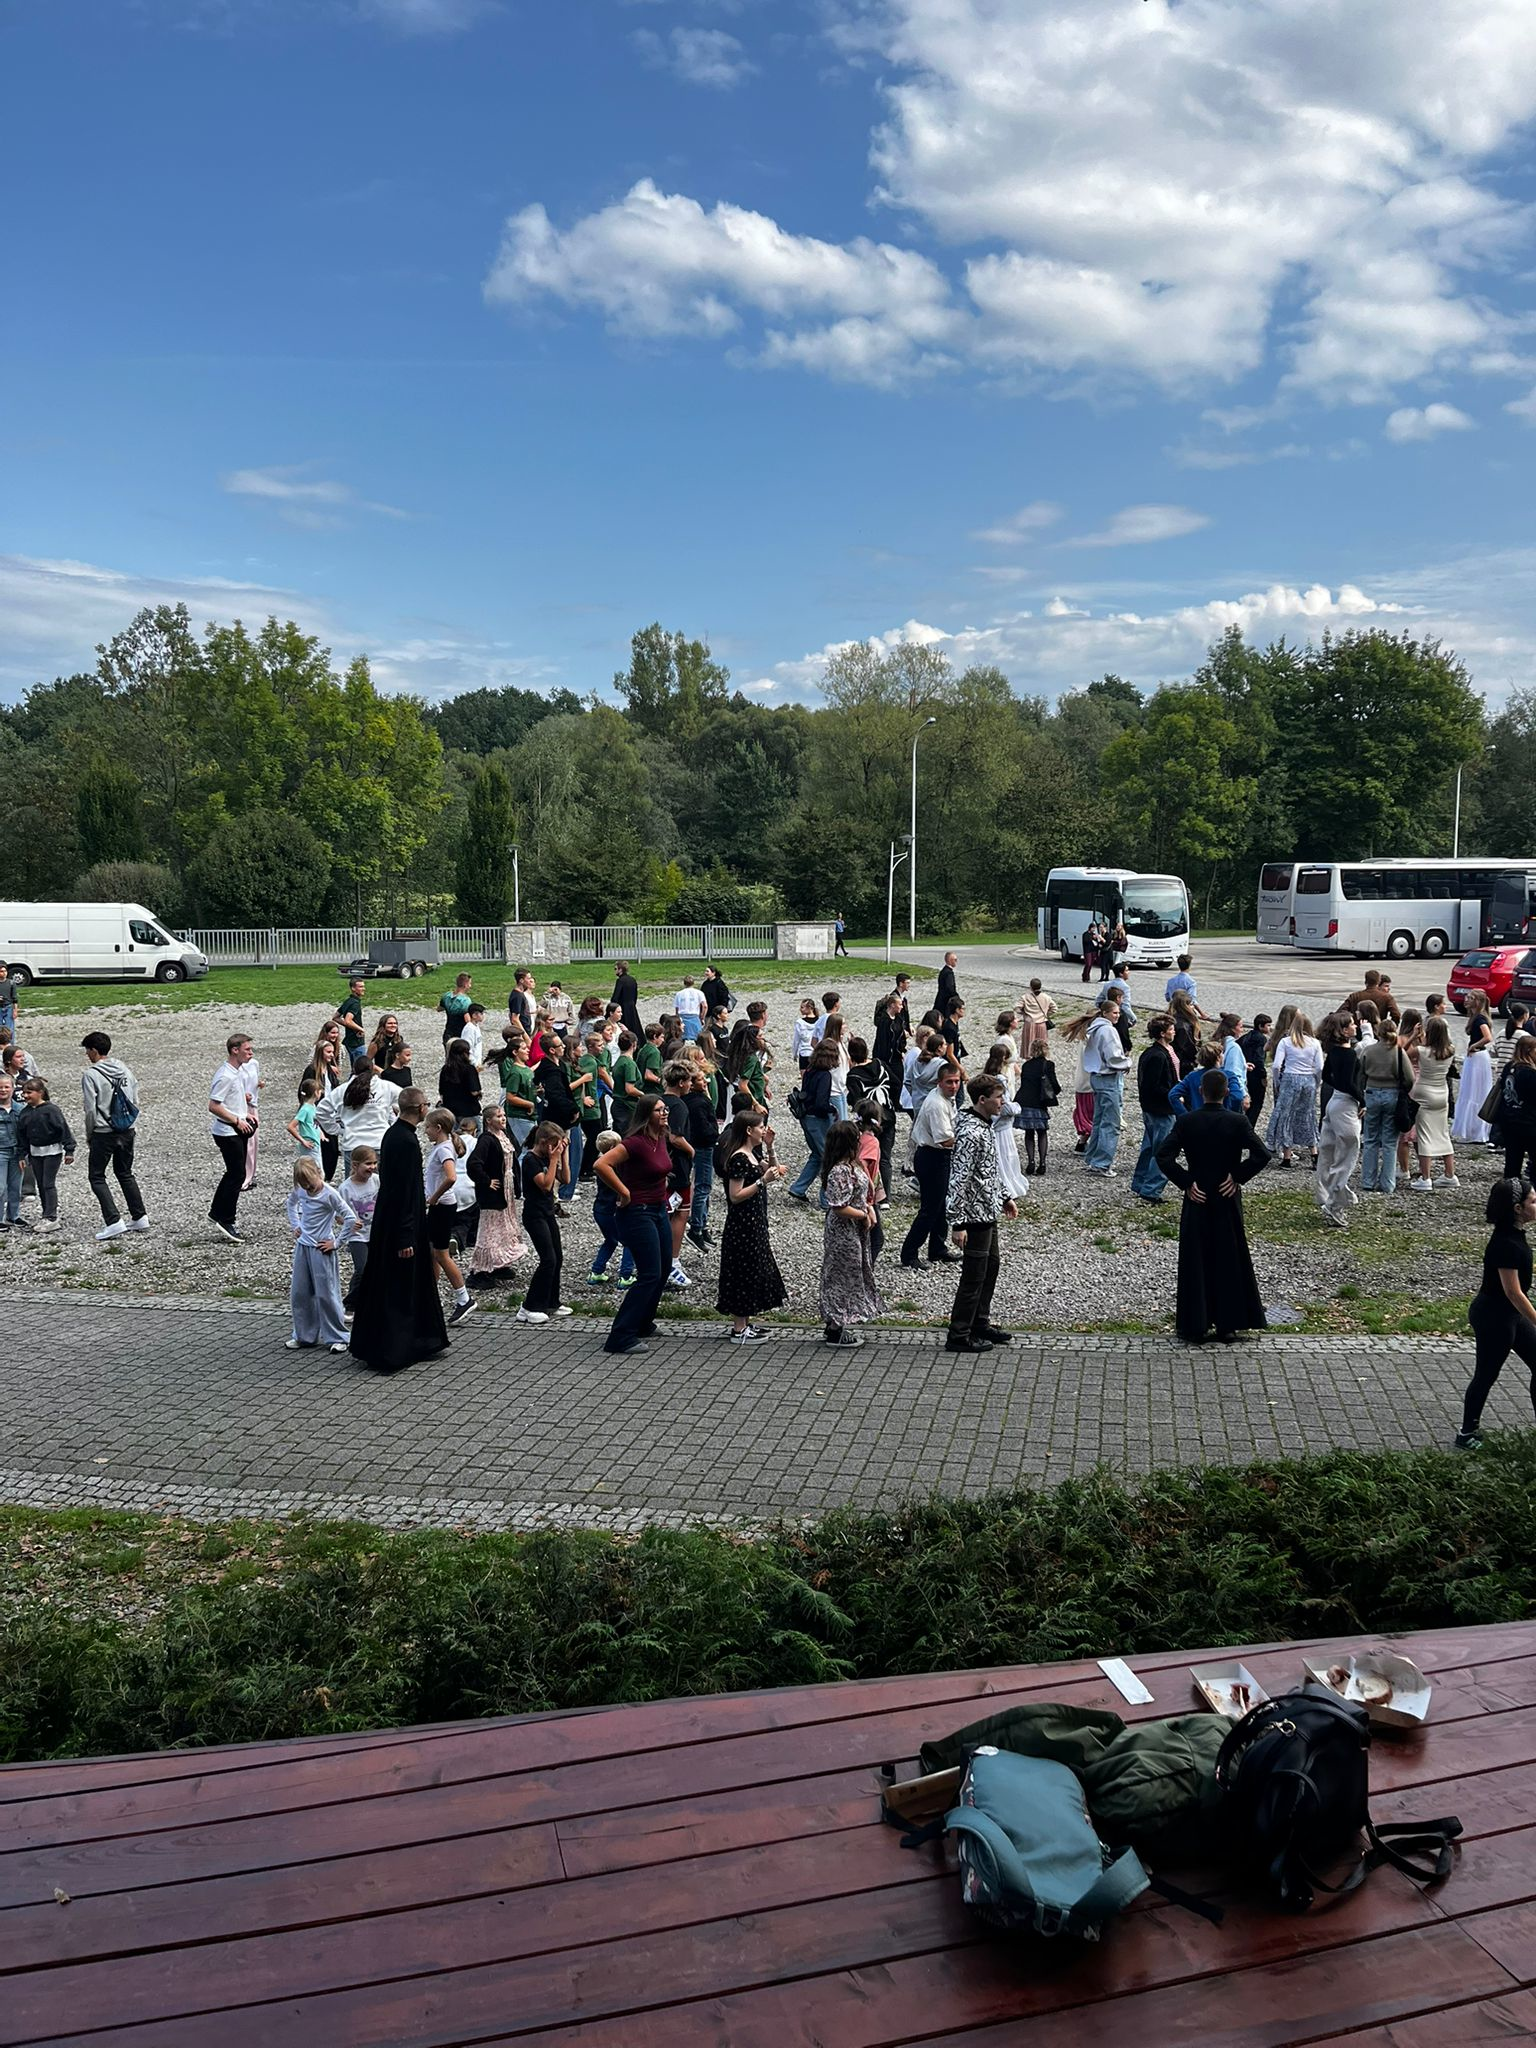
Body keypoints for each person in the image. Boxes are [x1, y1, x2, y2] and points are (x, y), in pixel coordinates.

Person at [1156, 1070, 1272, 1343]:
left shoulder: (1187, 1122)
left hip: (1197, 1195)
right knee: (1228, 1258)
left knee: (1196, 1259)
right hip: (1225, 1194)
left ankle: (1195, 1323)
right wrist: (1238, 1176)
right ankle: (1227, 1324)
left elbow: (1163, 1155)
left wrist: (1186, 1181)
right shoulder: (1237, 1121)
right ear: (1227, 1093)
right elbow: (1262, 1154)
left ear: (1200, 1091)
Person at [348, 1088, 450, 1372]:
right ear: (420, 1109)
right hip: (402, 1224)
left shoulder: (394, 1135)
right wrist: (405, 1236)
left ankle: (418, 1340)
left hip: (392, 1220)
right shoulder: (406, 1141)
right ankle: (395, 1347)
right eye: (426, 1104)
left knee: (400, 1281)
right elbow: (404, 1190)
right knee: (400, 1284)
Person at [1455, 1176, 1536, 1450]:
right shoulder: (1506, 1244)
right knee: (1486, 1375)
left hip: (1510, 1315)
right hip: (1494, 1318)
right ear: (1517, 1209)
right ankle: (1467, 1433)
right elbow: (1514, 1293)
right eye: (1533, 1201)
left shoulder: (1514, 1234)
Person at [596, 1094, 680, 1356]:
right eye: (658, 1110)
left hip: (658, 1209)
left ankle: (643, 1322)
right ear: (646, 1115)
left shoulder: (660, 1138)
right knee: (649, 1274)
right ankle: (620, 1336)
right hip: (637, 1213)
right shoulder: (635, 1142)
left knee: (663, 1268)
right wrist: (624, 1192)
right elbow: (601, 1164)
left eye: (665, 1109)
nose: (664, 1113)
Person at [944, 1075, 1019, 1354]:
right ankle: (959, 1333)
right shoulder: (970, 1133)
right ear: (982, 1100)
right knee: (974, 1275)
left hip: (988, 1211)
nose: (1003, 1102)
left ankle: (980, 1323)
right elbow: (959, 1180)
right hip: (973, 1216)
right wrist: (957, 1222)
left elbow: (989, 1170)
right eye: (999, 1097)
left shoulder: (985, 1127)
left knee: (991, 1267)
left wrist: (1005, 1197)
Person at [713, 1106, 788, 1343]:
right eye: (760, 1127)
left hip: (754, 1220)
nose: (764, 1130)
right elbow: (735, 1195)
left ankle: (744, 1322)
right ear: (748, 1130)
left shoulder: (752, 1153)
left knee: (752, 1268)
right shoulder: (739, 1158)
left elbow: (775, 1171)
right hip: (742, 1224)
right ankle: (739, 1328)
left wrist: (770, 1147)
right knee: (742, 1270)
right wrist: (761, 1182)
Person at [79, 1032, 148, 1243]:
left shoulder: (91, 1075)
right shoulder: (124, 1069)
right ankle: (139, 1216)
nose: (87, 1055)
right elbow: (134, 1098)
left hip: (104, 1131)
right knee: (125, 1173)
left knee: (97, 1176)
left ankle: (113, 1220)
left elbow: (90, 1109)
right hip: (127, 1129)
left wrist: (90, 1133)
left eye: (87, 1051)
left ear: (93, 1050)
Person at [817, 1120, 880, 1346]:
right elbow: (839, 1206)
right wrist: (863, 1214)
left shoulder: (851, 1165)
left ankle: (835, 1323)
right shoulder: (839, 1171)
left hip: (854, 1229)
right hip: (843, 1231)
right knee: (842, 1275)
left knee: (850, 1272)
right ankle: (835, 1327)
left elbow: (861, 1195)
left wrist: (869, 1208)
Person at [283, 1157, 354, 1353]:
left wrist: (337, 1243)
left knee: (326, 1294)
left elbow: (350, 1218)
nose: (308, 1187)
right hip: (303, 1247)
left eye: (310, 1181)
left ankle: (338, 1336)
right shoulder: (301, 1190)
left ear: (318, 1173)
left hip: (322, 1249)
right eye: (303, 1183)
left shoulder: (330, 1194)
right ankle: (304, 1336)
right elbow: (291, 1204)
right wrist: (296, 1225)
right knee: (300, 1293)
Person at [900, 1062, 963, 1268]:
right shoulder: (936, 1104)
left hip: (937, 1156)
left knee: (941, 1205)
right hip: (932, 1156)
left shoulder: (946, 1099)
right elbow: (944, 1140)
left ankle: (937, 1248)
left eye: (957, 1082)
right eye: (949, 1082)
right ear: (939, 1082)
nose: (954, 1086)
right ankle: (909, 1253)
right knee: (930, 1208)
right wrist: (968, 1140)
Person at [421, 1107, 477, 1325]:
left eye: (427, 1127)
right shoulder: (441, 1146)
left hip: (443, 1207)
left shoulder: (444, 1149)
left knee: (442, 1254)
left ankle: (464, 1298)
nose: (425, 1131)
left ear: (438, 1128)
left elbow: (451, 1177)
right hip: (441, 1206)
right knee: (433, 1251)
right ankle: (430, 1295)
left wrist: (434, 1197)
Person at [465, 1103, 525, 1289]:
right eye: (498, 1116)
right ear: (488, 1120)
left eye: (503, 1115)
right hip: (493, 1194)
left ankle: (498, 1264)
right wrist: (486, 1181)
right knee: (489, 1230)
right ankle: (479, 1271)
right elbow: (473, 1163)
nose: (503, 1118)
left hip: (506, 1190)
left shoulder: (504, 1136)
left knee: (503, 1227)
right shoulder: (486, 1140)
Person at [516, 1120, 570, 1324]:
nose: (556, 1149)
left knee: (557, 1257)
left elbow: (565, 1179)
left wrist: (563, 1155)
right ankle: (529, 1307)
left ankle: (551, 1302)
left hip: (547, 1213)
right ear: (544, 1142)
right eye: (554, 1145)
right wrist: (554, 1158)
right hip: (534, 1215)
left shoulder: (549, 1157)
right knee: (548, 1259)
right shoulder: (530, 1160)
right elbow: (546, 1185)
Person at [1316, 1010, 1365, 1226]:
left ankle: (1326, 1194)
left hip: (1334, 1102)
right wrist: (1362, 1100)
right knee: (1347, 1154)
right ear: (1344, 1031)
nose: (1355, 1026)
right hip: (1345, 1105)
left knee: (1328, 1151)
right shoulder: (1348, 1054)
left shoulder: (1334, 1051)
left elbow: (1327, 1076)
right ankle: (1335, 1203)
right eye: (1352, 1024)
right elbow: (1347, 1082)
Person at [208, 1034, 257, 1242]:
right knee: (237, 1175)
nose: (251, 1053)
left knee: (234, 1173)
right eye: (247, 1050)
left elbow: (231, 1099)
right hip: (227, 1132)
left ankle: (216, 1212)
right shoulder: (226, 1075)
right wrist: (237, 1120)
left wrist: (244, 1113)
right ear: (235, 1050)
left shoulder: (236, 1072)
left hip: (235, 1129)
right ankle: (226, 1219)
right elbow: (214, 1105)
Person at [317, 1059, 400, 1177]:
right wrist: (395, 1127)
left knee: (353, 1185)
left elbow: (321, 1110)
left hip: (353, 1144)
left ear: (353, 1069)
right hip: (380, 1142)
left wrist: (336, 1130)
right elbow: (407, 1101)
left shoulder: (343, 1090)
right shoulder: (386, 1087)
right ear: (373, 1069)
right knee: (382, 1185)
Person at [1359, 1025, 1414, 1195]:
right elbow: (1410, 1078)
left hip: (1372, 1093)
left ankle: (1368, 1180)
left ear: (1377, 1032)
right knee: (1390, 1142)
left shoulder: (1368, 1051)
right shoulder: (1398, 1052)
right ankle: (1388, 1183)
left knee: (1370, 1139)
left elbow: (1360, 1075)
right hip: (1392, 1094)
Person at [1408, 1016, 1460, 1192]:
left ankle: (1426, 1177)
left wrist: (1413, 1036)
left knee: (1424, 1135)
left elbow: (1402, 1053)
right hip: (1442, 1093)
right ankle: (1450, 1174)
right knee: (1443, 1132)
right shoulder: (1450, 1050)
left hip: (1424, 1092)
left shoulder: (1421, 1051)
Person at [1131, 1015, 1179, 1202]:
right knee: (1163, 1150)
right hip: (1161, 1108)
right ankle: (1151, 1189)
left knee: (1150, 1147)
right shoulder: (1157, 1056)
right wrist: (1175, 1094)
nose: (1174, 1032)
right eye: (1171, 1029)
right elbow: (1153, 1086)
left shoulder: (1157, 1052)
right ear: (1162, 1033)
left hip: (1153, 1107)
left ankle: (1140, 1183)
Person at [15, 1077, 73, 1233]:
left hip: (52, 1152)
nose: (25, 1096)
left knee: (48, 1183)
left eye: (29, 1092)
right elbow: (22, 1137)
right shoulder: (25, 1112)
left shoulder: (51, 1110)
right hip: (35, 1153)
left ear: (40, 1092)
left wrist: (69, 1150)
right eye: (24, 1092)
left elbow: (64, 1130)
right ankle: (46, 1214)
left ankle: (51, 1216)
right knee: (40, 1184)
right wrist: (21, 1155)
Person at [1082, 993, 1131, 1175]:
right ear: (1105, 1013)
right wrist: (1127, 1063)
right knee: (1111, 1123)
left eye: (1118, 1013)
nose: (1117, 1016)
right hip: (1108, 1077)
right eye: (1114, 1013)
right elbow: (1113, 1057)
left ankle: (1093, 1158)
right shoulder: (1108, 1030)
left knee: (1099, 1120)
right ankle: (1102, 1163)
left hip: (1096, 1077)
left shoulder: (1094, 1028)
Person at [1266, 1012, 1322, 1168]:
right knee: (1308, 1115)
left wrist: (1277, 1081)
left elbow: (1276, 1065)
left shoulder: (1286, 1042)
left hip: (1290, 1078)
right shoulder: (1315, 1043)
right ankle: (1314, 1154)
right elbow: (1319, 1067)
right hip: (1309, 1079)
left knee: (1286, 1115)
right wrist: (1316, 1082)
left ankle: (1287, 1156)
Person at [787, 1040, 838, 1201]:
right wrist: (832, 1109)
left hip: (805, 1117)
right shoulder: (825, 1075)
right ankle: (826, 1199)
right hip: (818, 1120)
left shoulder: (810, 1070)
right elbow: (821, 1104)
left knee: (817, 1155)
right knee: (828, 1158)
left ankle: (798, 1188)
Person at [586, 1128, 636, 1288]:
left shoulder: (599, 1164)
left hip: (600, 1209)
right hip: (613, 1210)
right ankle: (626, 1275)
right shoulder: (614, 1167)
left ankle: (597, 1271)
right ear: (613, 1148)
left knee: (610, 1240)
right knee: (629, 1241)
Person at [982, 1040, 1031, 1201]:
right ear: (1003, 1059)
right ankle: (1005, 1186)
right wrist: (1017, 1108)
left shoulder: (985, 1077)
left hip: (992, 1123)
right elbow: (1005, 1106)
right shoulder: (999, 1079)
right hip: (1002, 1126)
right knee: (1006, 1157)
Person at [685, 1057, 722, 1250]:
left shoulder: (692, 1100)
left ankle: (703, 1224)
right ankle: (697, 1227)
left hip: (699, 1145)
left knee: (704, 1187)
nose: (706, 1081)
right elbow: (704, 1127)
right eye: (701, 1079)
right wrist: (714, 1135)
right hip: (704, 1147)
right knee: (703, 1186)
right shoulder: (699, 1103)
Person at [339, 1142, 379, 1309]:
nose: (372, 1167)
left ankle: (367, 1302)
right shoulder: (345, 1188)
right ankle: (350, 1303)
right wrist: (349, 1222)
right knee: (362, 1269)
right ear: (355, 1165)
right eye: (368, 1164)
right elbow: (338, 1216)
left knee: (374, 1269)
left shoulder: (376, 1180)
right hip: (357, 1236)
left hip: (375, 1232)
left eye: (374, 1163)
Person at [1453, 991, 1495, 1147]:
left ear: (1477, 1001)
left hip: (1478, 1057)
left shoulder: (1480, 1019)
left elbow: (1488, 1037)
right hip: (1476, 1057)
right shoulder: (1475, 1017)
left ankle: (1475, 1130)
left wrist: (1474, 1045)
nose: (1466, 1000)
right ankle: (1472, 1129)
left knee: (1474, 1091)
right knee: (1471, 1091)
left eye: (1470, 998)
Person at [1014, 1037, 1059, 1177]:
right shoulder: (1048, 1065)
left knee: (1029, 1133)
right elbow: (1054, 1085)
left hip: (1025, 1101)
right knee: (1042, 1132)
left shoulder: (1026, 1065)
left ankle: (1031, 1161)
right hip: (1039, 1102)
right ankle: (1042, 1163)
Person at [1498, 1035, 1536, 1183]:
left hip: (1508, 1119)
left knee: (1512, 1161)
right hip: (1528, 1122)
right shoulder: (1530, 1073)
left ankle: (1511, 1190)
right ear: (1529, 1051)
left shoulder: (1509, 1067)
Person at [437, 1038, 483, 1126]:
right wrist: (480, 1094)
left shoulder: (446, 1069)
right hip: (469, 1111)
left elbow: (441, 1091)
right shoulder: (469, 1069)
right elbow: (474, 1091)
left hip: (451, 1111)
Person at [1239, 1015, 1271, 1126]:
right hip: (1256, 1075)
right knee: (1257, 1103)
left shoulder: (1246, 1037)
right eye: (1268, 1025)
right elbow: (1259, 1059)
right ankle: (1249, 1127)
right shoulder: (1261, 1039)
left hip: (1246, 1072)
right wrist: (1263, 1075)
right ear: (1261, 1026)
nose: (1270, 1028)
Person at [286, 1076, 323, 1163]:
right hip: (309, 1145)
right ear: (315, 1093)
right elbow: (290, 1127)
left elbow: (313, 1124)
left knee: (317, 1168)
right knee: (315, 1169)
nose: (321, 1093)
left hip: (315, 1144)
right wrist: (303, 1141)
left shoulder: (313, 1106)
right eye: (319, 1091)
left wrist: (321, 1133)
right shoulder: (305, 1109)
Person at [334, 977, 367, 1067]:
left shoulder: (348, 1001)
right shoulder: (355, 1004)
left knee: (355, 1068)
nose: (364, 989)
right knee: (361, 1068)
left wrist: (349, 1026)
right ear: (353, 988)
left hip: (349, 1041)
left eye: (363, 986)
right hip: (357, 1042)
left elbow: (335, 1017)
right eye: (360, 987)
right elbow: (348, 1020)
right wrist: (360, 1029)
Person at [872, 992, 908, 1071]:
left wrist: (902, 1050)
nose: (902, 1007)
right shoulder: (884, 1022)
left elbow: (901, 1036)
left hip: (897, 1056)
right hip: (887, 1059)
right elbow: (882, 1043)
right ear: (893, 1005)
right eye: (900, 1005)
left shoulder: (899, 1019)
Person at [438, 971, 473, 1047]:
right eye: (470, 983)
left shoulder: (446, 996)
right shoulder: (465, 1001)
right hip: (460, 1035)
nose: (470, 986)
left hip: (448, 1033)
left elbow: (439, 1009)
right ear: (465, 984)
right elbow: (468, 1020)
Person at [610, 961, 642, 1043]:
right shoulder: (632, 980)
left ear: (620, 969)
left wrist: (612, 1007)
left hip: (622, 1007)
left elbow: (616, 997)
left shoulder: (620, 981)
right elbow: (635, 995)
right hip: (631, 1007)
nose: (615, 971)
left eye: (615, 969)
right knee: (634, 1027)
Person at [1019, 979, 1055, 1050]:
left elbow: (1017, 1008)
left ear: (1030, 987)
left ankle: (1028, 1056)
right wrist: (1046, 1014)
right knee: (1041, 1045)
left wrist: (1024, 1015)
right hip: (1041, 1024)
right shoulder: (1046, 997)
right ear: (1040, 986)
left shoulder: (1025, 997)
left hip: (1029, 1024)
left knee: (1028, 1044)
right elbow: (1054, 1008)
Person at [674, 975, 707, 1043]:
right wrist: (702, 1017)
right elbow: (705, 1006)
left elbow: (677, 1008)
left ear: (684, 983)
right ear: (693, 983)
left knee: (681, 1037)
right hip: (694, 1016)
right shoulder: (699, 993)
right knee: (698, 1037)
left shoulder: (679, 994)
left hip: (682, 1016)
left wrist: (677, 1018)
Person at [508, 968, 537, 1039]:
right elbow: (515, 1019)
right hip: (522, 1034)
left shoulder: (521, 994)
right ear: (521, 980)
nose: (530, 980)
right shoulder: (517, 996)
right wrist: (526, 1037)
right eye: (528, 978)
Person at [792, 998, 819, 1071]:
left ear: (810, 1008)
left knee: (804, 1077)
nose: (800, 1009)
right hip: (817, 1053)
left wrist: (794, 1054)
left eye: (802, 1007)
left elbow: (796, 1040)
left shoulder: (800, 1022)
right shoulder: (820, 1021)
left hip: (804, 1053)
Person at [1080, 919, 1102, 985]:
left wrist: (1097, 940)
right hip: (1087, 951)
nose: (1093, 929)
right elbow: (1086, 941)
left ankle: (1087, 975)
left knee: (1091, 964)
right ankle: (1085, 976)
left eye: (1094, 928)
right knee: (1088, 964)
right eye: (1093, 928)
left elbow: (1096, 942)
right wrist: (1092, 938)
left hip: (1093, 951)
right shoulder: (1085, 934)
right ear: (1090, 928)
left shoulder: (1094, 934)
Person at [0, 960, 17, 1037]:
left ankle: (10, 1043)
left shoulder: (11, 983)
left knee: (10, 1028)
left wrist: (15, 1010)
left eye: (5, 971)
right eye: (1, 971)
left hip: (8, 1007)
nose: (4, 973)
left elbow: (15, 998)